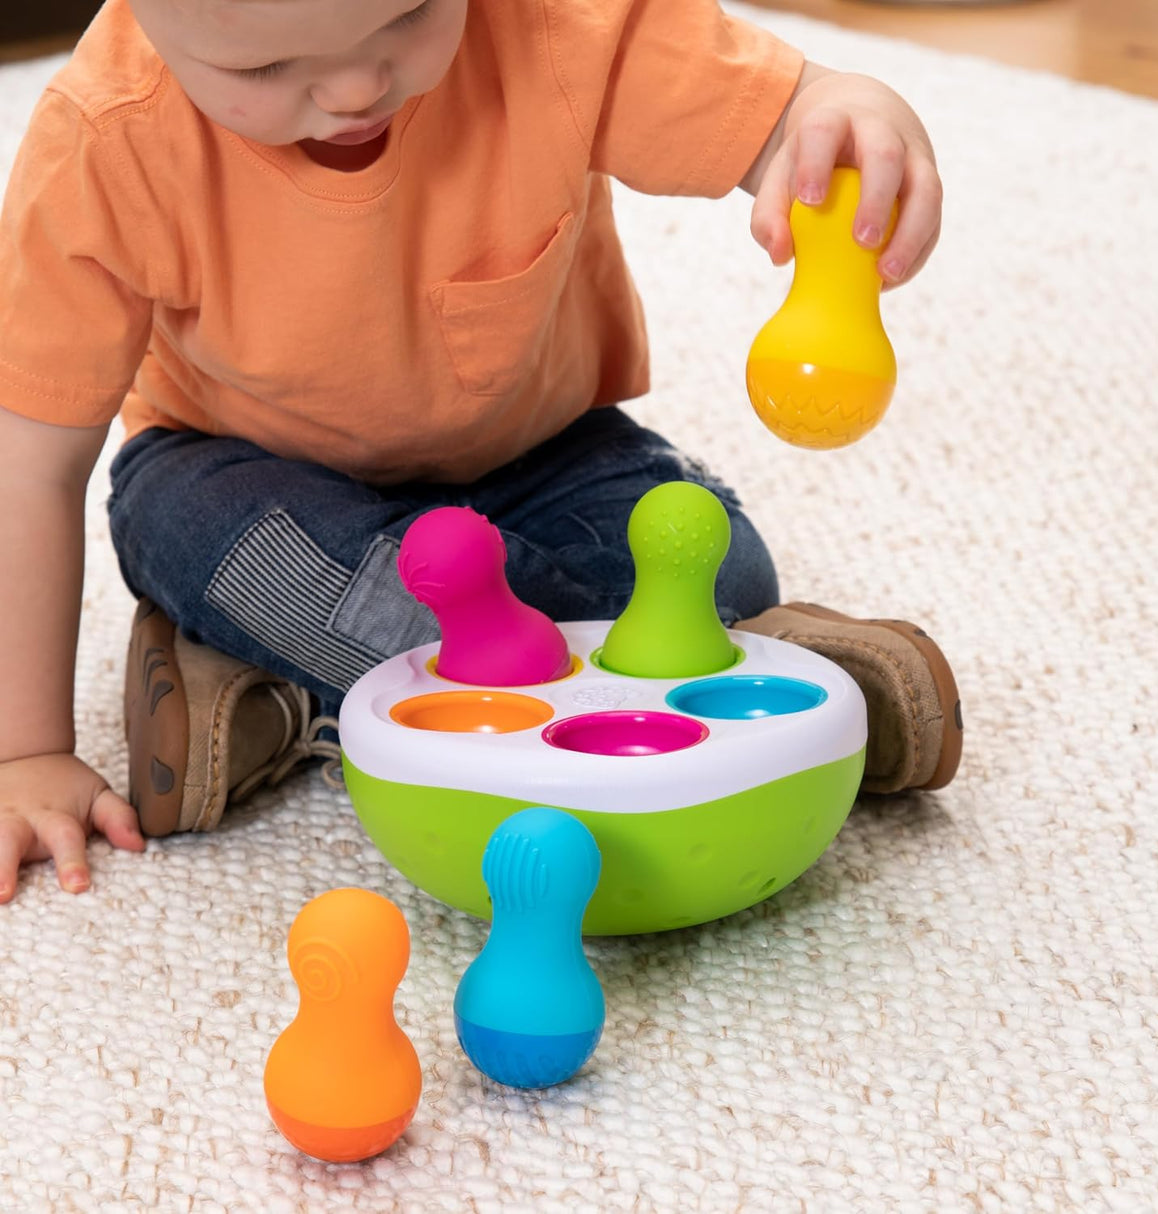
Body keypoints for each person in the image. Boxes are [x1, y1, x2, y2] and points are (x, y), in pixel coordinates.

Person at [0, 0, 961, 903]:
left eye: (410, 14)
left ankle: (289, 698)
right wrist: (23, 753)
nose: (352, 90)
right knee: (217, 538)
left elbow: (779, 116)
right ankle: (725, 697)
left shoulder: (552, 24)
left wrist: (837, 114)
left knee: (718, 568)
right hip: (242, 470)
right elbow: (30, 466)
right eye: (266, 64)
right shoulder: (105, 140)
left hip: (537, 456)